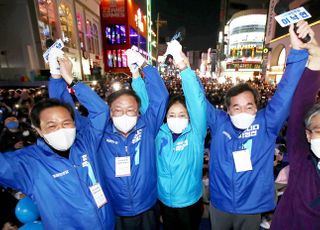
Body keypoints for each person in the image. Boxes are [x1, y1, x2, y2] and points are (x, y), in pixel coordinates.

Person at [206, 21, 311, 230]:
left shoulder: (267, 123)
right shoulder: (219, 124)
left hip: (252, 206)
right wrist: (184, 69)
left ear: (257, 107)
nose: (243, 111)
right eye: (237, 107)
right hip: (220, 203)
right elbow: (199, 101)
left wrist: (298, 51)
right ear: (227, 110)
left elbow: (285, 93)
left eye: (249, 106)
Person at [50, 48, 169, 230]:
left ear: (138, 112)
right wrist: (58, 78)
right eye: (118, 110)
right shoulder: (97, 133)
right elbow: (66, 112)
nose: (125, 115)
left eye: (130, 110)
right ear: (109, 112)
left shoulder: (147, 126)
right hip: (115, 209)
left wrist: (144, 64)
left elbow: (160, 98)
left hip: (148, 206)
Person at [0, 56, 114, 229]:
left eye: (66, 123)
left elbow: (101, 111)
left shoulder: (86, 143)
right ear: (38, 130)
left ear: (74, 123)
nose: (61, 129)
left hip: (106, 224)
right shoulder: (28, 163)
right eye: (51, 125)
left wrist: (65, 78)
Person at [134, 41, 207, 229]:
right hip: (164, 201)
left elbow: (197, 101)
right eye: (172, 115)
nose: (177, 118)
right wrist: (136, 76)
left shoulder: (195, 134)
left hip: (190, 202)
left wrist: (183, 67)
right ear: (165, 117)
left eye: (182, 115)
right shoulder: (159, 132)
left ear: (190, 117)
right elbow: (145, 104)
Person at [271, 25, 320, 230]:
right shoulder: (302, 163)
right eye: (318, 130)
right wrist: (315, 59)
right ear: (308, 136)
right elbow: (299, 108)